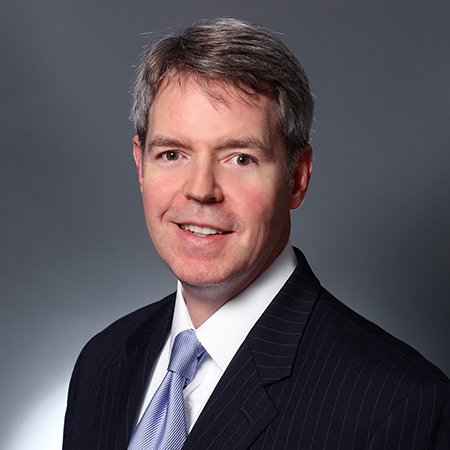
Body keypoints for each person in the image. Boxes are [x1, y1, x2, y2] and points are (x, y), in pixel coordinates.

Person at [62, 18, 450, 450]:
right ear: (140, 165)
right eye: (172, 154)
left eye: (240, 158)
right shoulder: (102, 362)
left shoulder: (397, 404)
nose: (201, 189)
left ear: (297, 178)